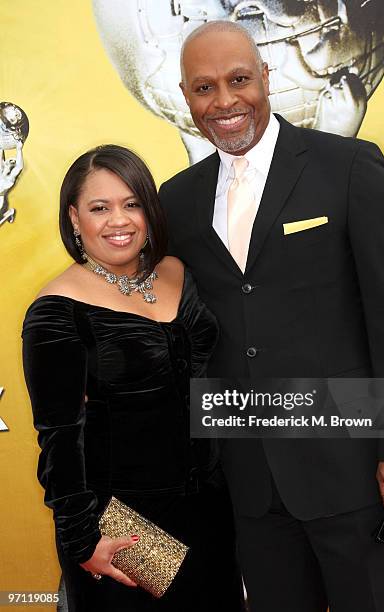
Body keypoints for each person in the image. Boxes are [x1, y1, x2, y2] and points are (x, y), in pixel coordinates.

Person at [158, 21, 384, 612]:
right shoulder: (175, 201)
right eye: (204, 88)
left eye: (238, 81)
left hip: (351, 469)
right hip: (249, 480)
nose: (225, 102)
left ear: (267, 79)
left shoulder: (349, 168)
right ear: (186, 98)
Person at [22, 144, 244, 611]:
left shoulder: (178, 271)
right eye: (99, 208)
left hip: (210, 507)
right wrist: (82, 540)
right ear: (74, 218)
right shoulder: (58, 308)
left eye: (132, 203)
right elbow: (60, 435)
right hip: (124, 522)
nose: (118, 221)